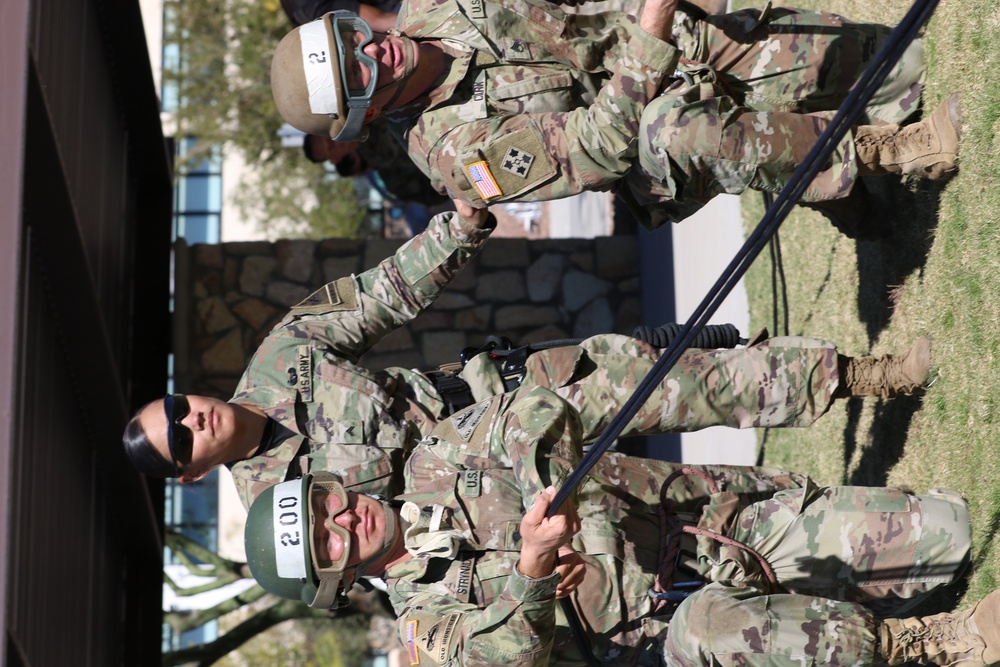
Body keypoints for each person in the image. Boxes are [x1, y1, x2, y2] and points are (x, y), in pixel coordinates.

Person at [123, 199, 931, 510]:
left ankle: (865, 376)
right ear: (192, 473)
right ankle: (846, 518)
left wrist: (453, 232)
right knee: (696, 503)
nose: (190, 418)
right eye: (180, 439)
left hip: (507, 393)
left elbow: (377, 297)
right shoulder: (279, 515)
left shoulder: (278, 359)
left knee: (683, 381)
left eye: (175, 408)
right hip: (513, 503)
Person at [243, 369, 999, 666]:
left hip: (715, 528)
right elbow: (499, 657)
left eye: (324, 502)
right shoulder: (421, 628)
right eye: (324, 542)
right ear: (335, 580)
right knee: (715, 628)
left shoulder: (431, 455)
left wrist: (552, 492)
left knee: (950, 532)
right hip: (675, 633)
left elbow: (532, 408)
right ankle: (925, 646)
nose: (343, 517)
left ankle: (842, 614)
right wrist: (532, 575)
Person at [268, 1, 961, 237]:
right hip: (646, 155)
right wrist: (652, 32)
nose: (371, 52)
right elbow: (599, 147)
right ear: (367, 110)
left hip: (663, 45)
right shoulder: (453, 153)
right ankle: (895, 151)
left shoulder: (439, 7)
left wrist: (661, 20)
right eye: (358, 73)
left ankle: (824, 180)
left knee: (898, 64)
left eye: (348, 37)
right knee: (680, 128)